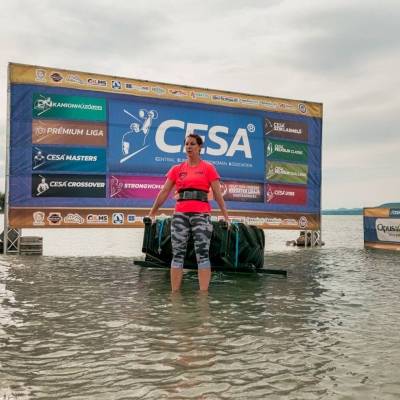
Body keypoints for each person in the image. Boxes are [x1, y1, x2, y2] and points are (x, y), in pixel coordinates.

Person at [148, 133, 229, 292]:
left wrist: (226, 217)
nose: (189, 147)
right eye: (186, 144)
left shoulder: (208, 168)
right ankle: (175, 294)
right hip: (180, 215)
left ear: (199, 147)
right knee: (177, 254)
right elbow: (164, 192)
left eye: (192, 144)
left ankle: (203, 296)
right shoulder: (176, 169)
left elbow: (218, 195)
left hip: (201, 215)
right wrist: (152, 213)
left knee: (202, 254)